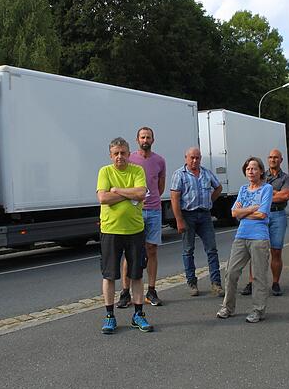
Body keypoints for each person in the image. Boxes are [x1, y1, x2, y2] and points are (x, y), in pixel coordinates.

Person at [96, 137, 153, 334]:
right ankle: (110, 316)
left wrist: (117, 191)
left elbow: (141, 193)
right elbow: (103, 198)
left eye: (123, 153)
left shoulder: (137, 170)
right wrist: (129, 194)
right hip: (110, 231)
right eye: (116, 153)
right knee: (110, 275)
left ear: (129, 154)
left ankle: (138, 315)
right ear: (111, 156)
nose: (120, 156)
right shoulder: (105, 171)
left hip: (135, 231)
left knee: (136, 275)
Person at [217, 157, 273, 323]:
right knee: (231, 272)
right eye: (248, 169)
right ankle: (228, 307)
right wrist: (251, 209)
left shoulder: (266, 189)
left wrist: (243, 212)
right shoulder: (243, 189)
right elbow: (234, 213)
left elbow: (263, 214)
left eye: (254, 168)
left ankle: (258, 310)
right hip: (241, 236)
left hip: (259, 237)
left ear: (261, 171)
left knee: (259, 276)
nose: (251, 171)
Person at [116, 127, 167, 308]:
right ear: (137, 140)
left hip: (153, 210)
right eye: (142, 137)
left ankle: (151, 291)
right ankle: (125, 292)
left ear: (153, 140)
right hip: (133, 210)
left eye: (148, 137)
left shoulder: (160, 161)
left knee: (152, 249)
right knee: (129, 251)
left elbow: (160, 187)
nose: (145, 140)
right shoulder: (130, 159)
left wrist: (150, 199)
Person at [170, 147, 224, 296]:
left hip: (205, 215)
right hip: (188, 215)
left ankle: (216, 283)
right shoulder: (179, 174)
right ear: (186, 158)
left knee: (212, 249)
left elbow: (218, 187)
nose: (195, 160)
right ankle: (192, 283)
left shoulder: (206, 173)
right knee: (188, 250)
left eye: (197, 158)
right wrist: (179, 220)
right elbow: (174, 198)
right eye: (192, 157)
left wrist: (210, 201)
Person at [240, 149, 289, 296]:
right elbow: (255, 194)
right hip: (260, 216)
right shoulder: (262, 176)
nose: (273, 160)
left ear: (281, 160)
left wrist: (267, 196)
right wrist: (275, 193)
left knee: (276, 250)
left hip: (277, 215)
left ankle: (275, 283)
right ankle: (252, 282)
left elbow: (286, 195)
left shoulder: (286, 178)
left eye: (276, 157)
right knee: (255, 249)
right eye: (270, 157)